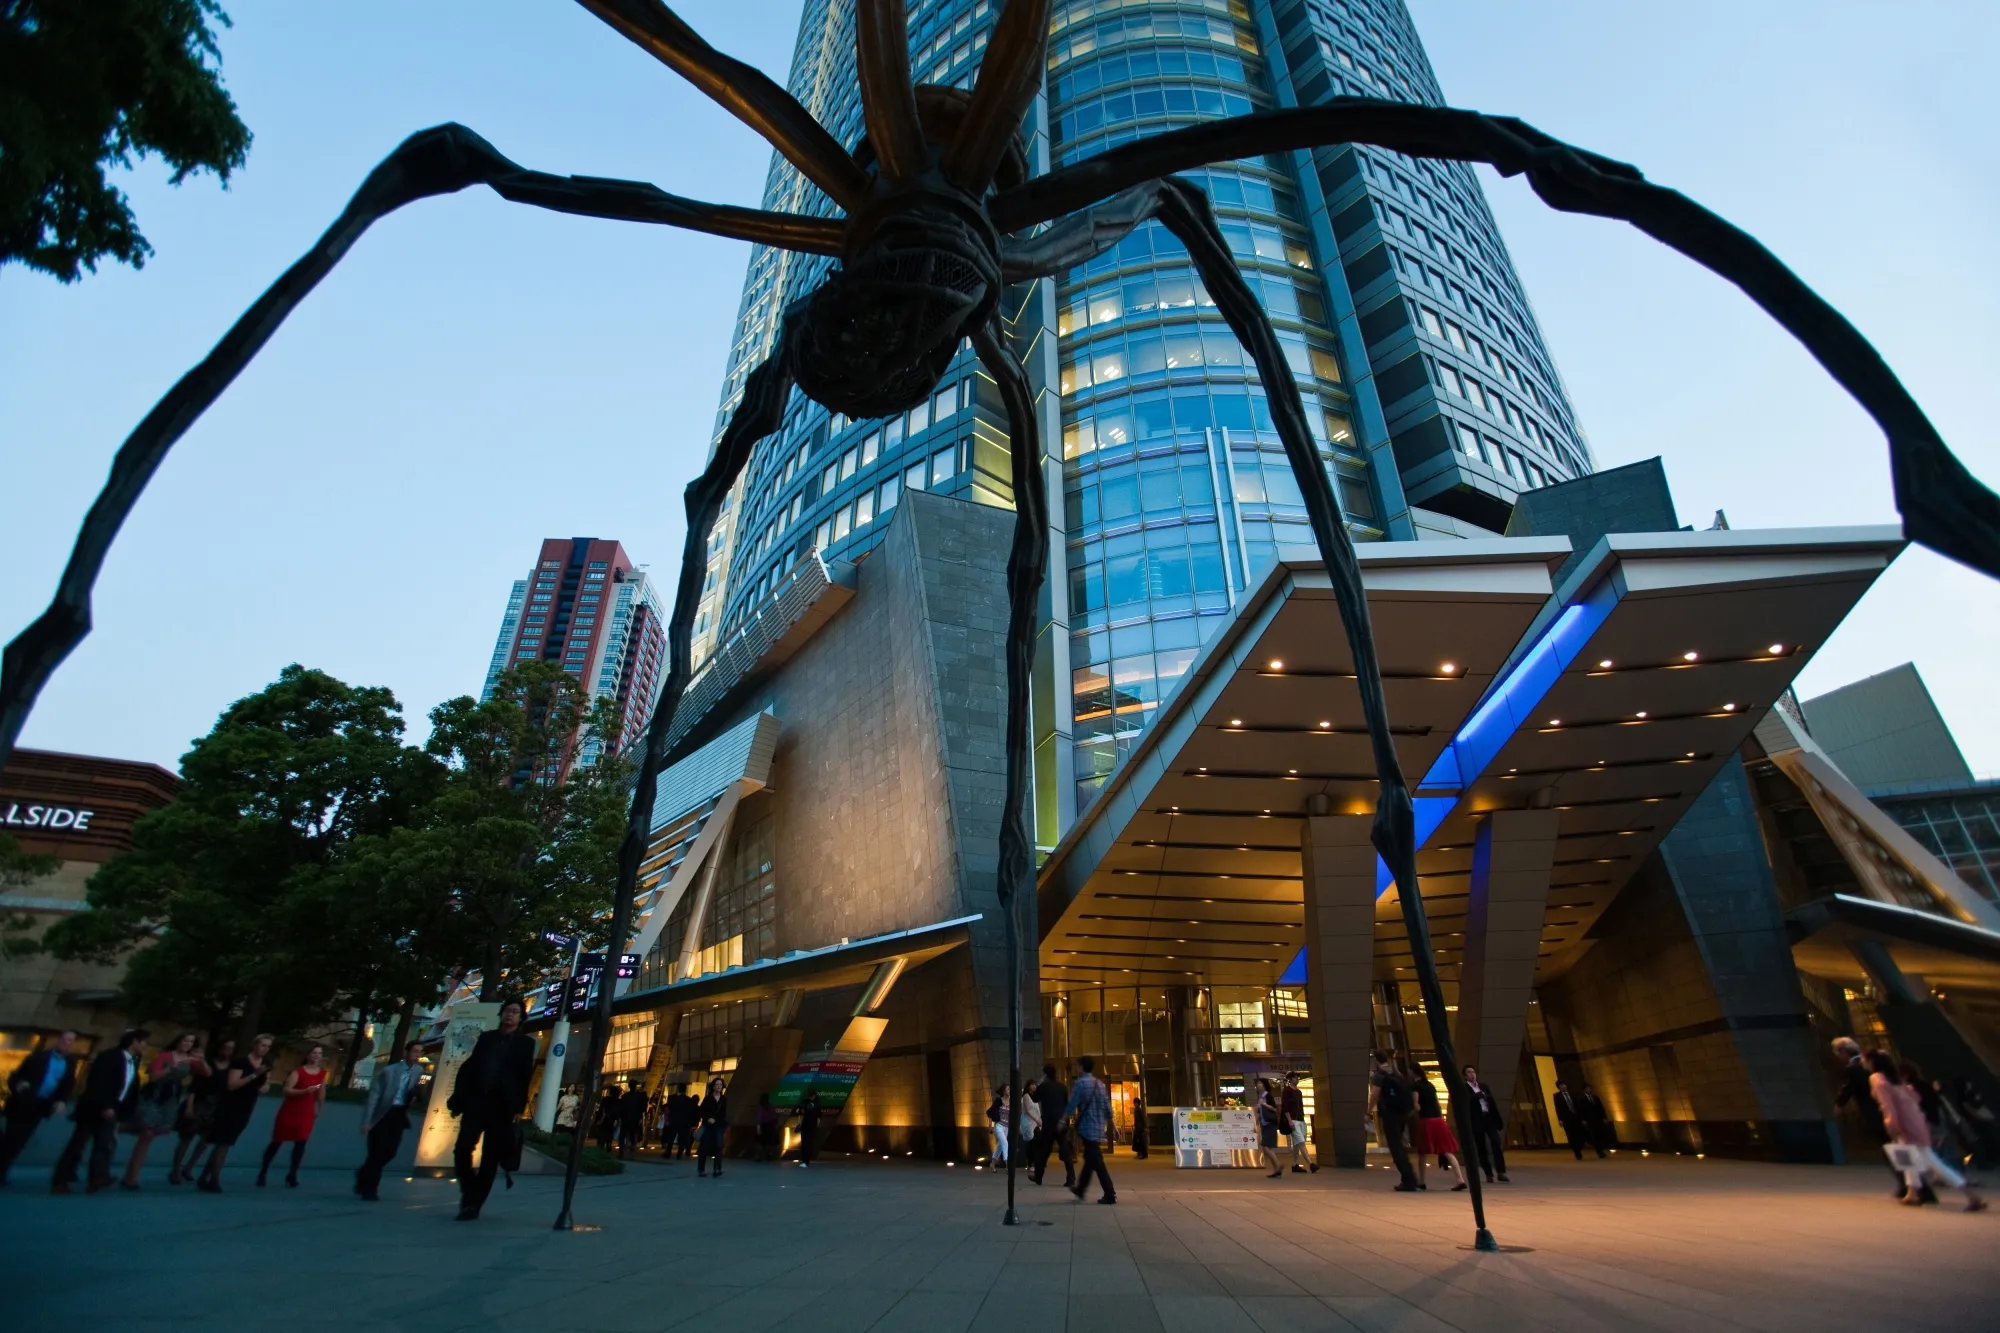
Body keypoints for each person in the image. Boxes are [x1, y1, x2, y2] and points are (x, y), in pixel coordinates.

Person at [449, 999, 536, 1221]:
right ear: (501, 1014)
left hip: (503, 1107)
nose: (510, 1015)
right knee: (462, 1148)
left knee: (490, 1156)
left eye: (515, 1012)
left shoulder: (525, 1044)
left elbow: (525, 1076)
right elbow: (472, 1067)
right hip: (478, 1100)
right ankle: (469, 1189)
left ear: (521, 1018)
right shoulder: (487, 1038)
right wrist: (461, 1097)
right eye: (508, 1011)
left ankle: (473, 1204)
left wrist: (519, 1107)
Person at [1871, 1050, 1985, 1212]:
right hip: (1915, 1124)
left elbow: (1887, 1106)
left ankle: (1971, 1195)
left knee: (1932, 1162)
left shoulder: (1878, 1080)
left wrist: (1891, 1125)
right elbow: (1915, 1099)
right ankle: (1911, 1194)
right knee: (1909, 1159)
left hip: (1905, 1127)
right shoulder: (1898, 1081)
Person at [52, 1027, 147, 1194]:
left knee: (104, 1143)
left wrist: (121, 1109)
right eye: (143, 1041)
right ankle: (62, 1179)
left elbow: (128, 1086)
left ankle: (97, 1177)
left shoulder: (133, 1060)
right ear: (134, 1041)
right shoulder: (109, 1057)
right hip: (94, 1107)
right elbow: (97, 1082)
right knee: (78, 1144)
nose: (145, 1045)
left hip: (113, 1109)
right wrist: (105, 1105)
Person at [123, 1032, 200, 1189]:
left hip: (170, 1098)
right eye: (185, 1040)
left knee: (149, 1136)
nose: (187, 1044)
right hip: (154, 1095)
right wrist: (170, 1069)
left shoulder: (191, 1061)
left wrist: (200, 1060)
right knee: (146, 1133)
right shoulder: (165, 1056)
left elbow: (207, 1074)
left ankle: (131, 1173)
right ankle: (132, 1177)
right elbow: (152, 1077)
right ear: (178, 1041)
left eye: (191, 1042)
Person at [1, 1030, 77, 1186]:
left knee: (20, 1140)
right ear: (58, 1040)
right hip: (22, 1102)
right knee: (10, 1137)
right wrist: (19, 1085)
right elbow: (15, 1077)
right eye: (65, 1039)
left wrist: (61, 1100)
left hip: (40, 1105)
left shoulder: (69, 1062)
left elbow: (67, 1084)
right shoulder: (39, 1057)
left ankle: (2, 1170)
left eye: (71, 1041)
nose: (67, 1043)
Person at [1833, 1037, 1905, 1199]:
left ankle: (1907, 1185)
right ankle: (1912, 1185)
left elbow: (1847, 1090)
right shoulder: (1881, 1067)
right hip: (1896, 1113)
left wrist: (1838, 1105)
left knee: (1891, 1150)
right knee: (1900, 1148)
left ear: (1843, 1051)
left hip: (1879, 1115)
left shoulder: (1857, 1069)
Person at [198, 1033, 271, 1192]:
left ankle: (205, 1176)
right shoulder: (241, 1062)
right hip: (231, 1104)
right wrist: (253, 1075)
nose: (265, 1049)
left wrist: (264, 1086)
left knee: (227, 1142)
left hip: (247, 1105)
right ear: (255, 1045)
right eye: (262, 1045)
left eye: (268, 1046)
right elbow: (232, 1085)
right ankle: (214, 1179)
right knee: (222, 1142)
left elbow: (264, 1084)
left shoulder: (264, 1064)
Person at [355, 1040, 426, 1201]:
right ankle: (370, 1188)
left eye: (420, 1052)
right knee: (376, 1152)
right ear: (406, 1053)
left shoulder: (418, 1071)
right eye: (414, 1051)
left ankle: (363, 1175)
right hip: (383, 1113)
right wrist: (367, 1121)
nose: (417, 1055)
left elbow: (411, 1093)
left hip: (399, 1114)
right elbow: (374, 1096)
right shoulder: (389, 1071)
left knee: (390, 1151)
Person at [258, 1043, 328, 1187]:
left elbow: (321, 1094)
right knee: (277, 1141)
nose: (316, 1056)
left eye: (319, 1053)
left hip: (306, 1112)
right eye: (314, 1053)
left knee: (301, 1143)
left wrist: (319, 1108)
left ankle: (293, 1174)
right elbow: (287, 1090)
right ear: (308, 1055)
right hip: (291, 1110)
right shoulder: (298, 1072)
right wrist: (304, 1091)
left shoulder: (321, 1074)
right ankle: (263, 1172)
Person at [170, 1037, 231, 1186]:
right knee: (186, 1138)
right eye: (225, 1047)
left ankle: (189, 1167)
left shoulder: (231, 1067)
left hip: (215, 1105)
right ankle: (176, 1169)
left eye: (231, 1048)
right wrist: (190, 1106)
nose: (228, 1051)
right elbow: (194, 1086)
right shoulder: (207, 1064)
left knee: (205, 1141)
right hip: (199, 1102)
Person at [1060, 1054, 1115, 1204]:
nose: (1076, 1068)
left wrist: (1063, 1119)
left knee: (1096, 1161)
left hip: (1086, 1128)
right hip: (1098, 1127)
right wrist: (1112, 1124)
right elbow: (1107, 1107)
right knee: (1091, 1159)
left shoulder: (1081, 1084)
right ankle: (1081, 1188)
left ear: (1082, 1067)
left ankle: (1110, 1193)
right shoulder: (1099, 1084)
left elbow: (1072, 1104)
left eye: (1078, 1065)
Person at [1368, 1051, 1418, 1192]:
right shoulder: (1396, 1073)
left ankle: (1409, 1179)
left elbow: (1374, 1095)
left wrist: (1368, 1111)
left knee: (1395, 1147)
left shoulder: (1380, 1076)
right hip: (1402, 1114)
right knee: (1399, 1145)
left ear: (1377, 1061)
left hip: (1390, 1114)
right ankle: (1409, 1177)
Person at [1410, 1067, 1466, 1191]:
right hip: (1438, 1121)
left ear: (1413, 1073)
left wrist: (1410, 1112)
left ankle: (1422, 1181)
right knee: (1447, 1151)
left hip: (1426, 1121)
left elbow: (1416, 1105)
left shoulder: (1415, 1087)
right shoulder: (1430, 1085)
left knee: (1422, 1152)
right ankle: (1460, 1179)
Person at [1461, 1065, 1508, 1184]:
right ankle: (1488, 1173)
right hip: (1476, 1120)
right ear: (1465, 1076)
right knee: (1481, 1147)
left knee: (1496, 1142)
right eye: (1469, 1072)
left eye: (1473, 1072)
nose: (1472, 1074)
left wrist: (1497, 1119)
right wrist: (1476, 1097)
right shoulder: (1464, 1088)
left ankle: (1501, 1171)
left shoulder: (1483, 1087)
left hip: (1489, 1118)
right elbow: (1465, 1103)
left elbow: (1492, 1103)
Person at [1030, 1064, 1072, 1187]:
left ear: (1045, 1074)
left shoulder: (1043, 1087)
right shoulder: (1062, 1087)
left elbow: (1035, 1099)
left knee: (1044, 1151)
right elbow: (1066, 1104)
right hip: (1060, 1123)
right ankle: (1071, 1178)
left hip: (1048, 1123)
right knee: (1065, 1151)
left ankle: (1038, 1177)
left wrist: (1037, 1086)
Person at [1282, 1073, 1315, 1174]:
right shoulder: (1287, 1091)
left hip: (1301, 1120)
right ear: (1290, 1079)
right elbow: (1285, 1106)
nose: (1297, 1079)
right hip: (1293, 1120)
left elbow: (1301, 1106)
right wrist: (1289, 1120)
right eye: (1296, 1077)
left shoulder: (1299, 1092)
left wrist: (1303, 1120)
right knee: (1300, 1142)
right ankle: (1311, 1164)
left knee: (1297, 1144)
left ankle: (1294, 1165)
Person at [696, 1075, 728, 1178]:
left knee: (718, 1147)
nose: (719, 1086)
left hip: (719, 1126)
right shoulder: (708, 1098)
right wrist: (707, 1118)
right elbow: (701, 1111)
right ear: (713, 1086)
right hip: (708, 1126)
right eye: (717, 1084)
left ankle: (717, 1169)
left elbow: (724, 1113)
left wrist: (718, 1121)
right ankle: (701, 1169)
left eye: (720, 1084)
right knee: (704, 1147)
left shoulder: (724, 1099)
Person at [1256, 1077, 1286, 1178]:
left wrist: (1264, 1104)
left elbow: (1274, 1109)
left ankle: (1278, 1165)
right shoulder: (1260, 1096)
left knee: (1265, 1146)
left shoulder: (1268, 1095)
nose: (1258, 1085)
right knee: (1266, 1147)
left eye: (1260, 1083)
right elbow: (1259, 1112)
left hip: (1270, 1124)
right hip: (1264, 1125)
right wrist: (1256, 1123)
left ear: (1264, 1085)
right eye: (1257, 1083)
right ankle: (1277, 1169)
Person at [1552, 1080, 1589, 1161]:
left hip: (1576, 1117)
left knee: (1581, 1133)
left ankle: (1580, 1146)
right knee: (1571, 1136)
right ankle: (1577, 1152)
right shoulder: (1557, 1096)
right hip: (1566, 1119)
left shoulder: (1573, 1094)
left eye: (1564, 1085)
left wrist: (1582, 1118)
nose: (1563, 1086)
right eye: (1561, 1085)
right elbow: (1558, 1108)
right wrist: (1560, 1119)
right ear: (1559, 1087)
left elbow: (1578, 1105)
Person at [1578, 1082, 1613, 1157]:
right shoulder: (1581, 1099)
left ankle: (1601, 1148)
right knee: (1594, 1135)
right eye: (1587, 1088)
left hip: (1598, 1119)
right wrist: (1583, 1120)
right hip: (1590, 1120)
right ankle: (1599, 1151)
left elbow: (1601, 1108)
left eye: (1590, 1088)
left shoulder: (1595, 1097)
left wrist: (1604, 1117)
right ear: (1584, 1090)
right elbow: (1581, 1110)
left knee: (1601, 1134)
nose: (1589, 1089)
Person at [1019, 1078, 1044, 1167]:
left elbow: (1037, 1110)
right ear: (1028, 1086)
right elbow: (1028, 1110)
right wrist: (1037, 1120)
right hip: (1029, 1122)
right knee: (1032, 1143)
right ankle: (1031, 1163)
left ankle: (1034, 1162)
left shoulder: (1035, 1096)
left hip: (1035, 1122)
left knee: (1038, 1141)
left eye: (1035, 1084)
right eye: (1032, 1084)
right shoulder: (1026, 1096)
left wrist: (1039, 1119)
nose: (1034, 1086)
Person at [668, 1085, 697, 1160]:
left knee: (671, 1137)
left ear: (678, 1089)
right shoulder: (688, 1100)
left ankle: (668, 1152)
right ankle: (679, 1154)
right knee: (682, 1138)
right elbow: (690, 1111)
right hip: (684, 1121)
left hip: (674, 1120)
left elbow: (670, 1109)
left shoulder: (673, 1099)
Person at [619, 1081, 647, 1156]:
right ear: (635, 1086)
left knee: (623, 1133)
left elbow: (621, 1108)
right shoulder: (639, 1096)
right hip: (635, 1118)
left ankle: (622, 1148)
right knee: (633, 1133)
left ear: (629, 1086)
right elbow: (643, 1107)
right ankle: (632, 1147)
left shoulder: (625, 1096)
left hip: (625, 1118)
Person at [796, 1087, 821, 1167]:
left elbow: (800, 1112)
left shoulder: (806, 1103)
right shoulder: (817, 1104)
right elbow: (819, 1117)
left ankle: (805, 1161)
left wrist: (799, 1123)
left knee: (805, 1143)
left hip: (806, 1125)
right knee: (809, 1143)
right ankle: (806, 1161)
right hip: (812, 1126)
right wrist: (817, 1126)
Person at [988, 1083, 1010, 1164]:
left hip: (1007, 1127)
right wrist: (990, 1126)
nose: (1009, 1091)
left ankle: (992, 1164)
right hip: (999, 1126)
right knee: (1005, 1144)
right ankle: (1007, 1164)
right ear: (1004, 1091)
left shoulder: (1011, 1101)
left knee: (1000, 1146)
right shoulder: (998, 1101)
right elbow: (990, 1112)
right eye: (1008, 1089)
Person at [755, 1093, 780, 1161]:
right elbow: (775, 1116)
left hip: (764, 1126)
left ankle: (758, 1156)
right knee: (770, 1141)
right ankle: (769, 1154)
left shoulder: (761, 1107)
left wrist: (758, 1129)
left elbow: (759, 1119)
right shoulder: (771, 1106)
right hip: (771, 1126)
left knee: (761, 1142)